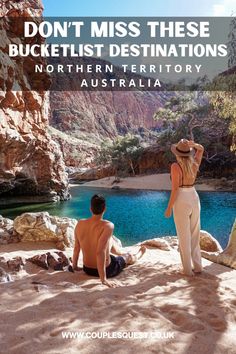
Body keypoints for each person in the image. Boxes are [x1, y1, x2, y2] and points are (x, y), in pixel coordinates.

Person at [72, 194, 146, 288]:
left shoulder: (80, 223)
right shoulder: (108, 225)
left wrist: (74, 266)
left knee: (108, 239)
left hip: (87, 269)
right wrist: (104, 280)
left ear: (90, 209)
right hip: (107, 269)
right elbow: (100, 252)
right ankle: (139, 254)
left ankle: (119, 252)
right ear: (104, 209)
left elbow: (76, 248)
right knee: (128, 256)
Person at [165, 139, 204, 276]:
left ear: (177, 154)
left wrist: (169, 207)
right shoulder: (194, 162)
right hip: (194, 196)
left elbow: (175, 189)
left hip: (181, 199)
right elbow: (201, 149)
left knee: (183, 237)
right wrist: (194, 145)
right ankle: (198, 267)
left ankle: (187, 271)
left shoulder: (175, 166)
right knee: (194, 234)